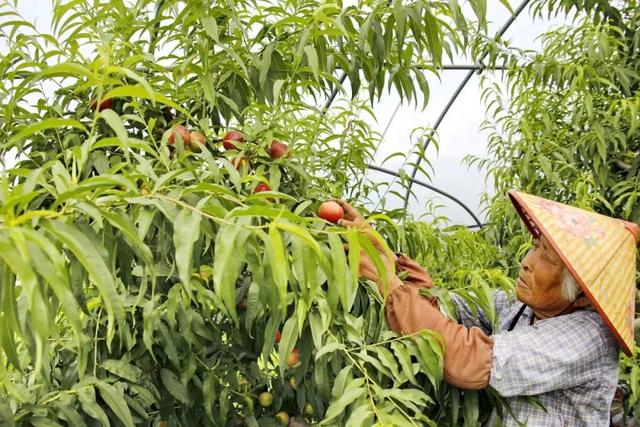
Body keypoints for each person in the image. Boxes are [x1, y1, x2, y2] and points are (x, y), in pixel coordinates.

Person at [336, 191, 640, 426]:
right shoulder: (518, 307)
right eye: (536, 246)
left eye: (547, 257)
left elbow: (468, 361)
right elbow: (441, 308)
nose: (527, 261)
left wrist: (387, 283)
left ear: (583, 294)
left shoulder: (589, 336)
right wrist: (383, 254)